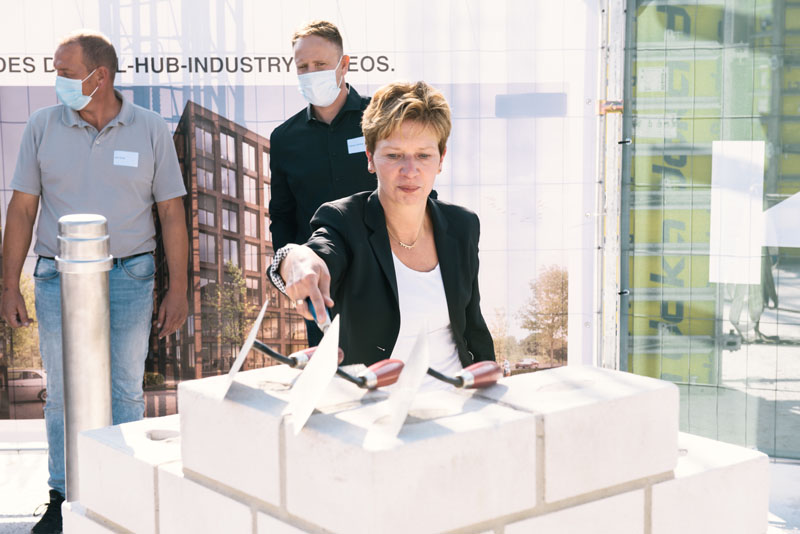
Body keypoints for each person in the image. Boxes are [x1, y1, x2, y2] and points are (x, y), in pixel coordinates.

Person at [0, 31, 188, 534]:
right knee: (61, 391)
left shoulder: (149, 128)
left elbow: (171, 213)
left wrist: (179, 289)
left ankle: (119, 490)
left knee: (125, 390)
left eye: (64, 72)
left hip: (131, 273)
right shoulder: (43, 125)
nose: (56, 81)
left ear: (98, 76)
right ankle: (62, 492)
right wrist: (7, 284)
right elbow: (22, 209)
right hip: (58, 277)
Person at [268, 81, 494, 382]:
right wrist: (294, 258)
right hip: (375, 409)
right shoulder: (343, 220)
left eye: (424, 155)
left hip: (456, 402)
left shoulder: (462, 225)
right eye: (394, 155)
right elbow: (315, 254)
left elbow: (472, 328)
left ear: (441, 159)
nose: (410, 170)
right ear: (370, 157)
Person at [268, 20, 377, 347]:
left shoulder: (381, 118)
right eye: (303, 66)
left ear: (344, 65)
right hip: (323, 287)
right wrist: (291, 273)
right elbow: (282, 218)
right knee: (334, 384)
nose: (310, 72)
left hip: (384, 276)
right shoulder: (285, 139)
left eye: (320, 64)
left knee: (391, 379)